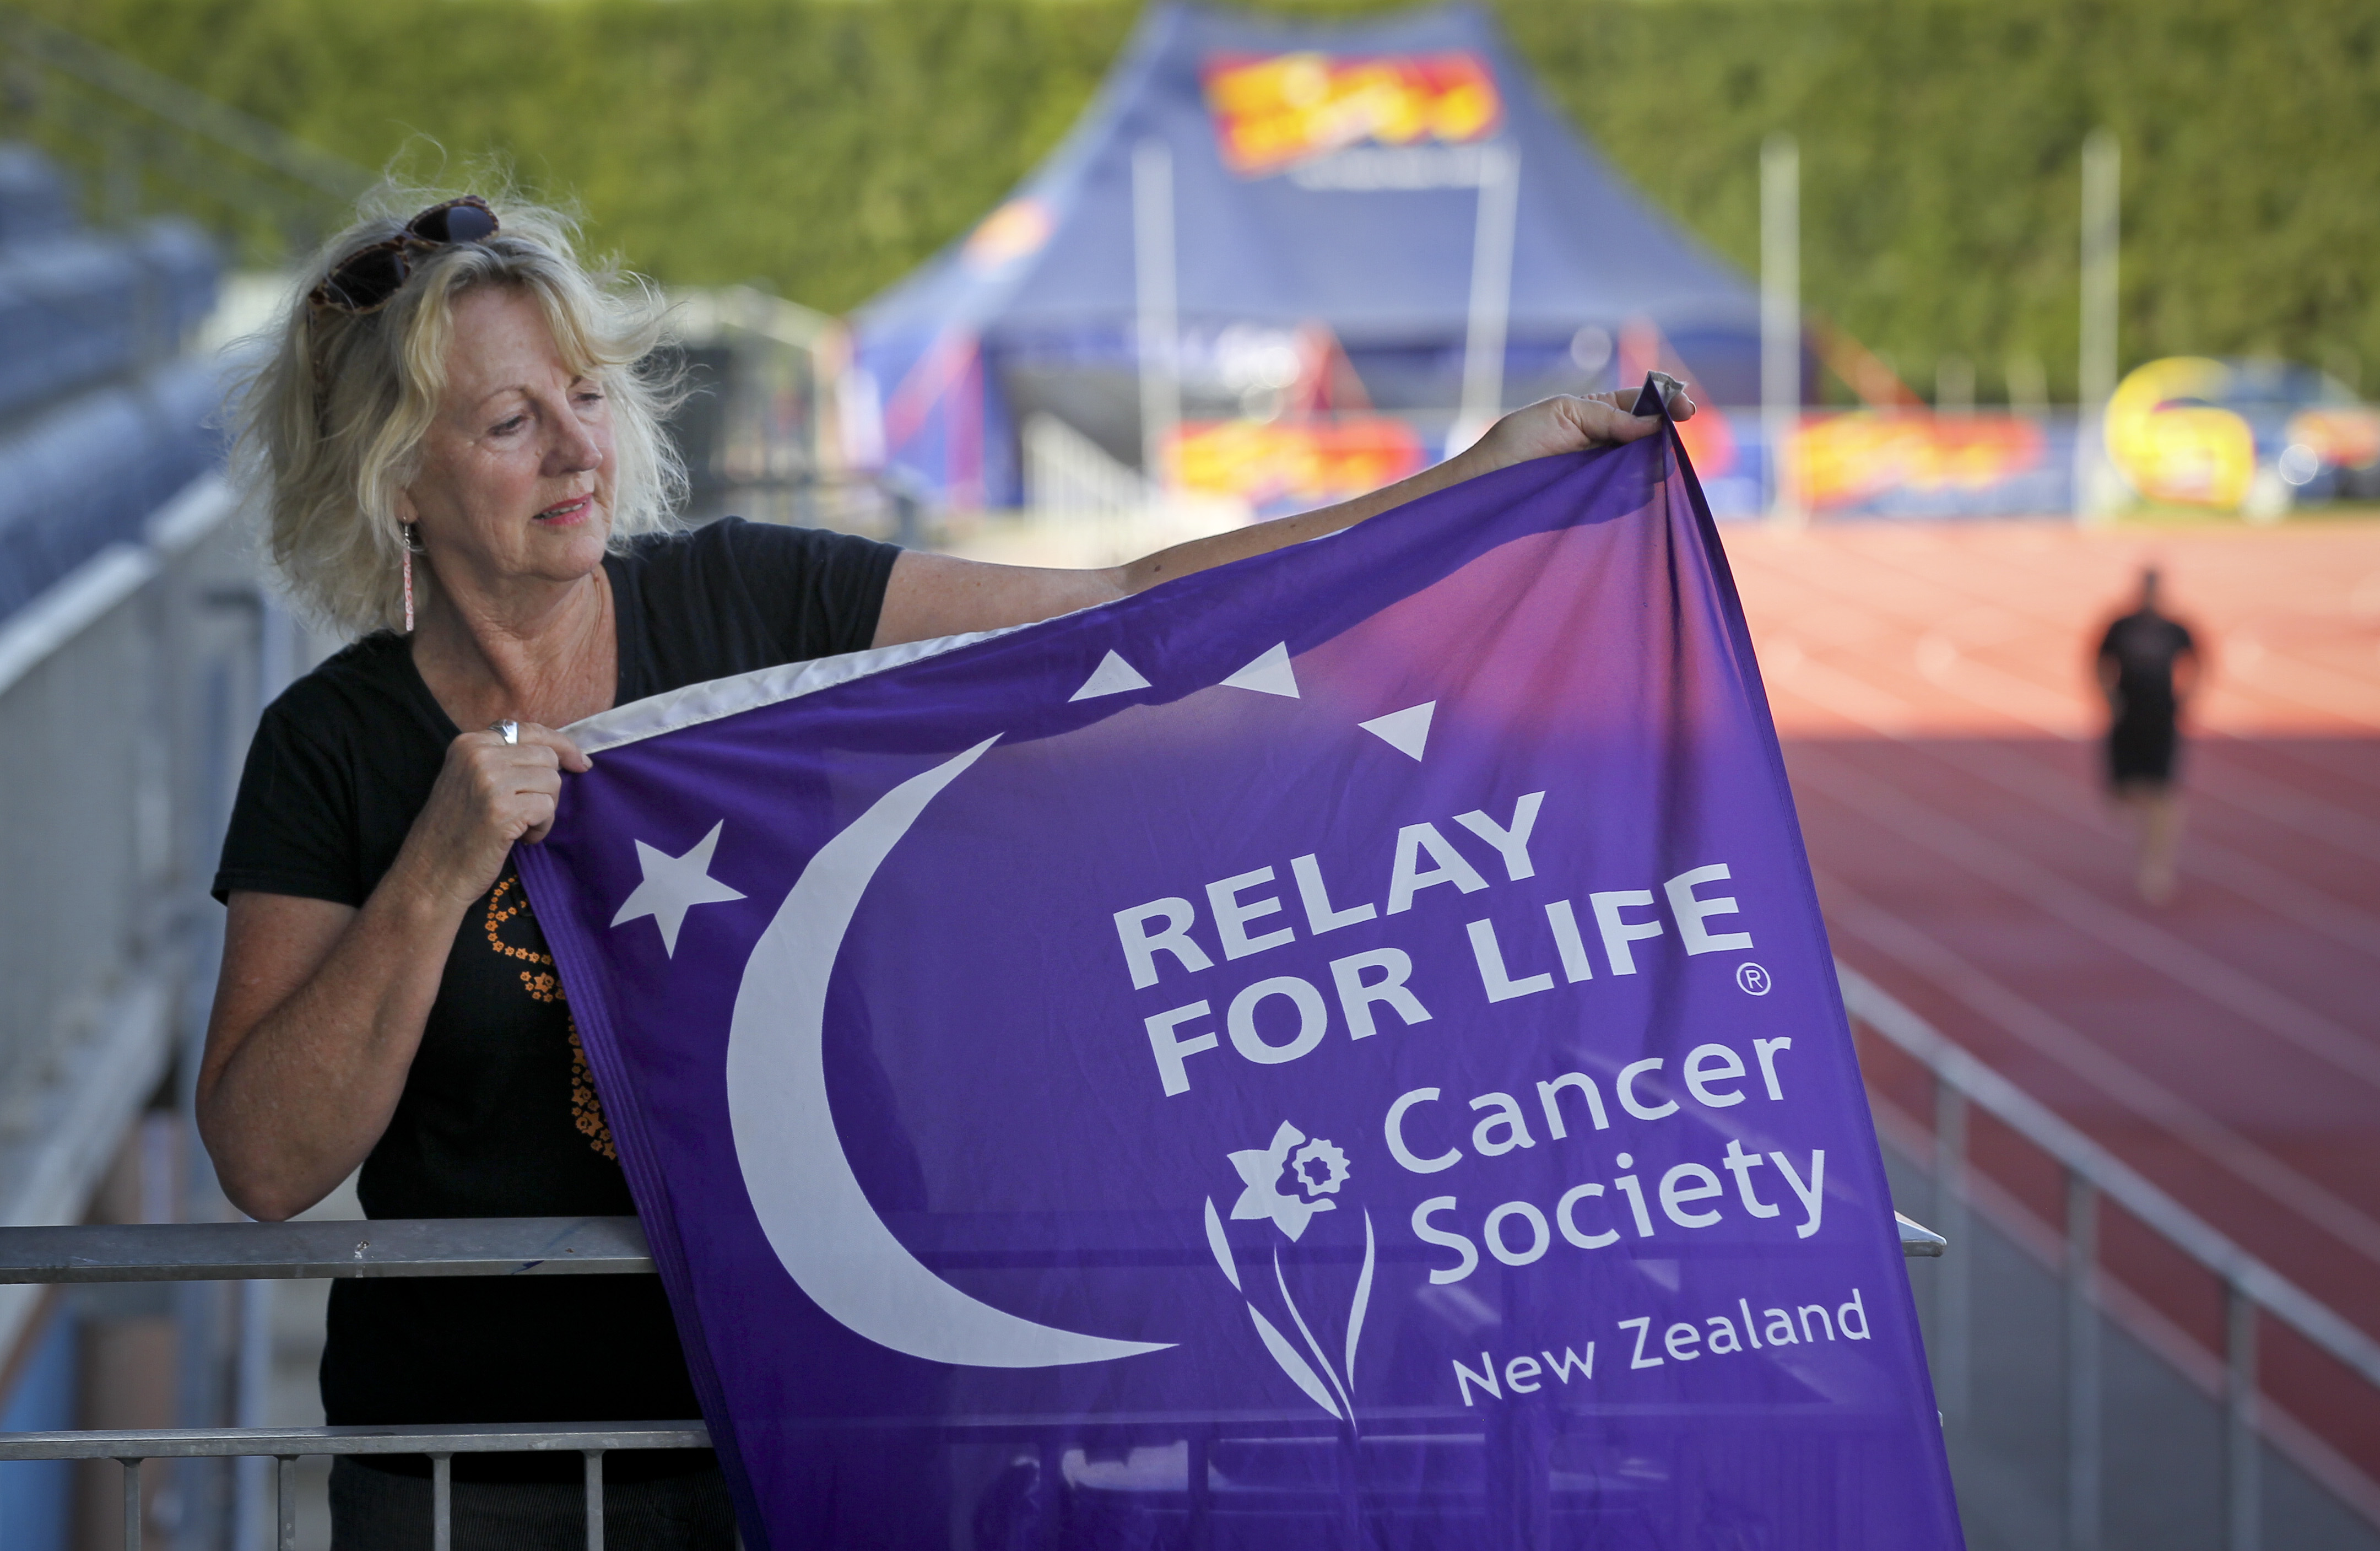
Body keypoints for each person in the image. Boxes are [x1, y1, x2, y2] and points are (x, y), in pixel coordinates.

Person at [198, 186, 1692, 1549]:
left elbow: (1120, 606)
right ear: (399, 481)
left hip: (808, 1417)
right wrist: (433, 875)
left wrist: (1470, 483)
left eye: (583, 393)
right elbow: (266, 1163)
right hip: (471, 1466)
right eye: (510, 422)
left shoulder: (748, 599)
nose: (581, 447)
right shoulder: (331, 746)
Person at [2095, 566, 2200, 904]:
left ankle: (2157, 866)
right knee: (2122, 795)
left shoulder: (2176, 629)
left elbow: (2199, 663)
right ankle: (2148, 833)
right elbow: (2097, 662)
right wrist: (2109, 699)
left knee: (2163, 795)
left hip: (2161, 721)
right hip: (2127, 719)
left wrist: (2186, 698)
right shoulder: (2121, 626)